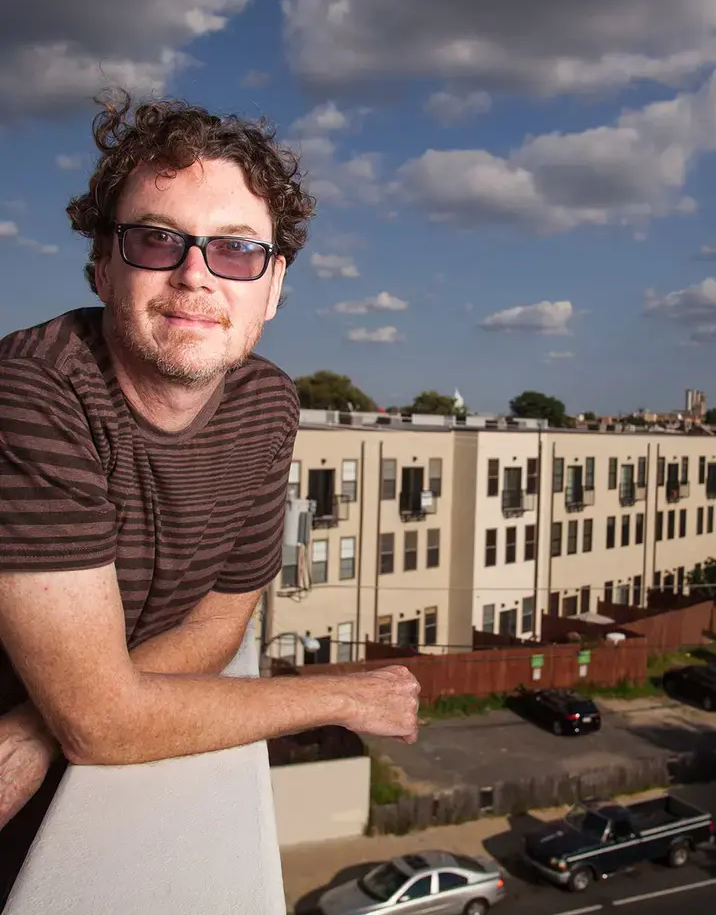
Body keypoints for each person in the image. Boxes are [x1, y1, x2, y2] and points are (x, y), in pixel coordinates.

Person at [0, 93, 420, 900]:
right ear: (102, 265)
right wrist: (338, 694)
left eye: (234, 250)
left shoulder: (267, 403)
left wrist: (44, 723)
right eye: (158, 240)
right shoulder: (33, 394)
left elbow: (221, 622)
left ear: (273, 286)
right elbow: (100, 725)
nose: (195, 273)